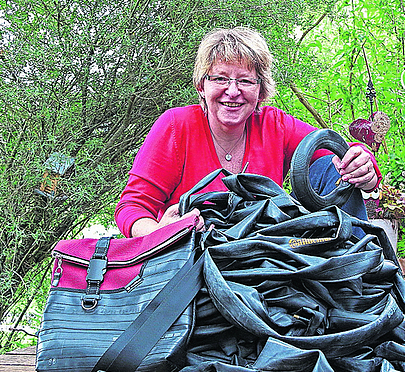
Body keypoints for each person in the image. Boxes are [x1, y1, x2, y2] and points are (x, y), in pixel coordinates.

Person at [115, 27, 382, 238]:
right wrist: (161, 232)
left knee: (332, 166)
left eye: (245, 81)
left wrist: (363, 168)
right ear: (201, 86)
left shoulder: (274, 125)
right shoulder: (176, 126)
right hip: (193, 260)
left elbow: (338, 152)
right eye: (220, 78)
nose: (232, 91)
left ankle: (353, 280)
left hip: (264, 258)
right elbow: (132, 209)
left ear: (260, 90)